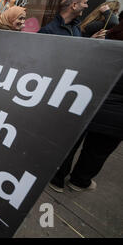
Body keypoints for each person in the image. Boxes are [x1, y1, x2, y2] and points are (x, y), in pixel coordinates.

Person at [49, 20, 123, 192]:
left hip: (83, 102)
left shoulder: (103, 43)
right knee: (98, 151)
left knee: (68, 143)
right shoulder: (101, 40)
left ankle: (56, 177)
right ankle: (80, 180)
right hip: (114, 114)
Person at [38, 0, 106, 38]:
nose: (87, 6)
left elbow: (77, 49)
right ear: (74, 5)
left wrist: (92, 40)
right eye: (85, 3)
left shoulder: (76, 27)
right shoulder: (48, 31)